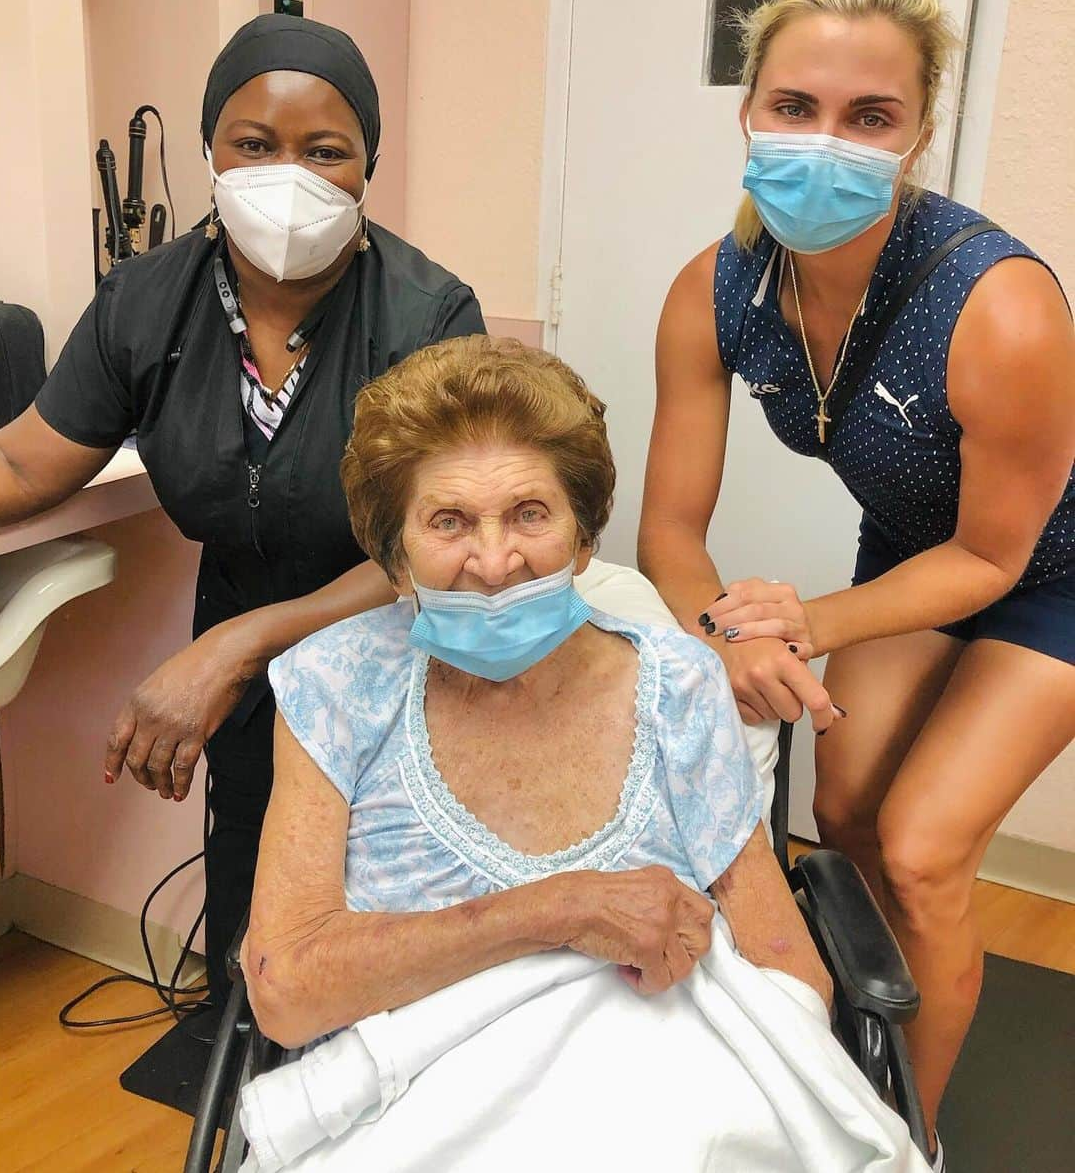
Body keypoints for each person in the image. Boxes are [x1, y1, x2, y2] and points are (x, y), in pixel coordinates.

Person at [236, 335, 931, 1173]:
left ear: (583, 539)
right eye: (449, 522)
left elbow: (785, 974)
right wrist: (558, 911)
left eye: (530, 514)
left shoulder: (677, 683)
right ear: (394, 558)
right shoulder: (336, 686)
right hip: (422, 1116)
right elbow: (285, 988)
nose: (494, 563)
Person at [638, 0, 1074, 1169]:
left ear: (920, 129)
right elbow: (669, 529)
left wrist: (810, 623)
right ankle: (868, 1043)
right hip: (917, 552)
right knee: (844, 811)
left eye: (869, 117)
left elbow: (998, 553)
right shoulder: (717, 289)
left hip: (1053, 572)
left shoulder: (999, 304)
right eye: (796, 107)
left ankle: (904, 1140)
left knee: (927, 848)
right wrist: (730, 629)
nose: (826, 141)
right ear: (749, 110)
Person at [0, 13, 484, 1005]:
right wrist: (237, 647)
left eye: (325, 150)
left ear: (368, 166)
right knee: (253, 879)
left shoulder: (428, 316)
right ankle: (252, 1077)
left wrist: (233, 651)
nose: (288, 174)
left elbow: (442, 548)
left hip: (402, 634)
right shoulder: (146, 301)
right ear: (211, 150)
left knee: (385, 898)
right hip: (241, 608)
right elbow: (21, 461)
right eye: (254, 145)